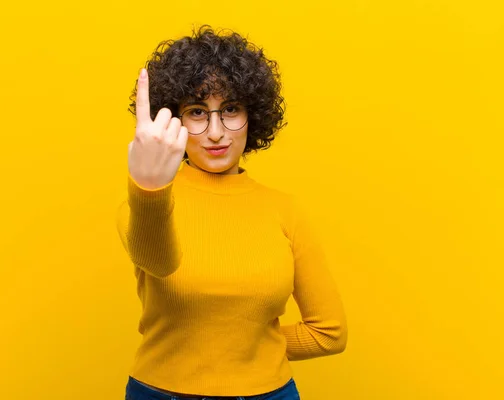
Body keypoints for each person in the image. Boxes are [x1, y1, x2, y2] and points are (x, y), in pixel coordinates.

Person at [116, 25, 348, 400]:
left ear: (252, 113)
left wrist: (247, 350)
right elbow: (158, 262)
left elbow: (330, 331)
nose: (216, 132)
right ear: (171, 120)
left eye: (230, 109)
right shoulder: (142, 204)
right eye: (196, 112)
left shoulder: (285, 210)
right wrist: (149, 185)